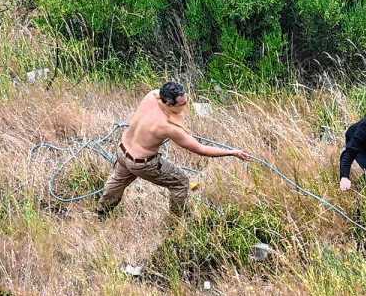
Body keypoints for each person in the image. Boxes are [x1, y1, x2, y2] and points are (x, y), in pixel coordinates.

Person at [96, 82, 251, 218]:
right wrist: (233, 152)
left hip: (122, 150)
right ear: (169, 104)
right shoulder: (168, 127)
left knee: (118, 180)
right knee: (181, 182)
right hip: (142, 164)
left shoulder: (152, 95)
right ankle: (176, 222)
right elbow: (200, 149)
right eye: (181, 104)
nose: (185, 106)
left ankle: (102, 211)